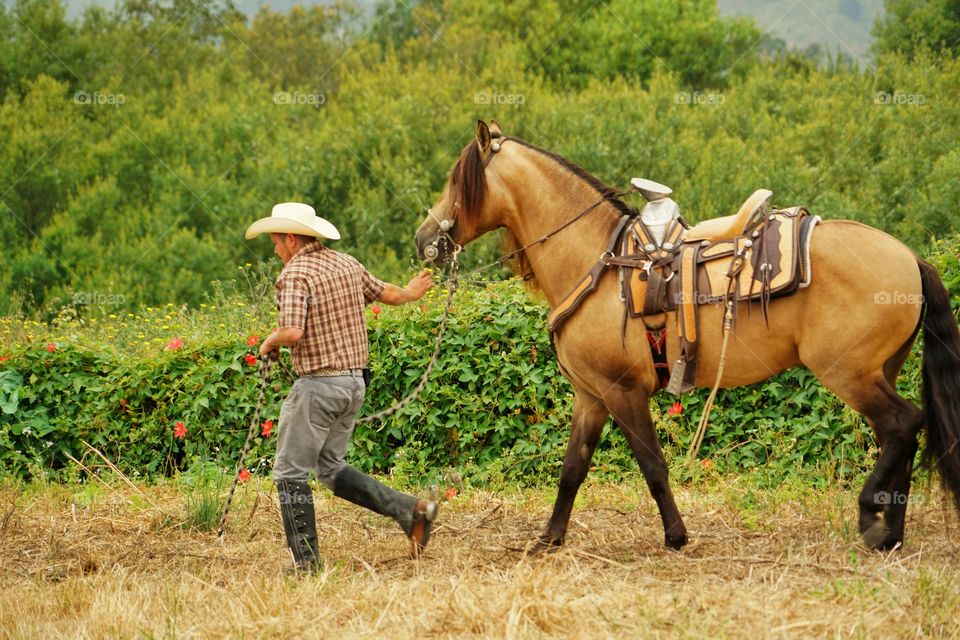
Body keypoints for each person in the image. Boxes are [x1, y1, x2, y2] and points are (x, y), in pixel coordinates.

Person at [245, 201, 437, 572]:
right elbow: (389, 294)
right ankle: (411, 511)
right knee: (329, 468)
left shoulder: (294, 274)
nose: (274, 249)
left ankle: (307, 565)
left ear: (290, 238)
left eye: (275, 241)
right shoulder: (346, 263)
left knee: (288, 472)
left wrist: (269, 342)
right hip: (354, 384)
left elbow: (293, 332)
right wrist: (414, 291)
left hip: (318, 385)